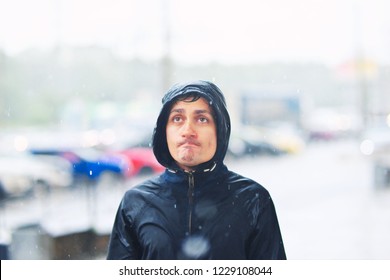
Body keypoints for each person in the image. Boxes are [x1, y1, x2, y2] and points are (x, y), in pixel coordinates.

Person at [106, 80, 286, 260]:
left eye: (202, 119)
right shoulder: (136, 202)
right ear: (163, 131)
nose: (188, 130)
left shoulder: (253, 199)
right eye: (177, 118)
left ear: (219, 130)